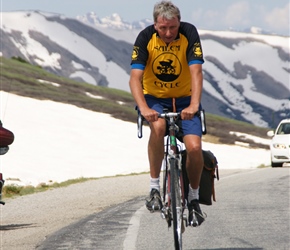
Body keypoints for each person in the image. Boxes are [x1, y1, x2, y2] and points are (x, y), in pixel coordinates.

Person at [129, 0, 205, 226]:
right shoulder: (145, 38)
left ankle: (192, 198)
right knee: (159, 127)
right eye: (163, 28)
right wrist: (144, 108)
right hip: (154, 98)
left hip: (184, 99)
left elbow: (196, 72)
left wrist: (193, 105)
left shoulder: (189, 33)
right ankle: (154, 188)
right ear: (155, 25)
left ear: (178, 22)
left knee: (194, 147)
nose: (168, 32)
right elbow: (135, 78)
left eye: (172, 27)